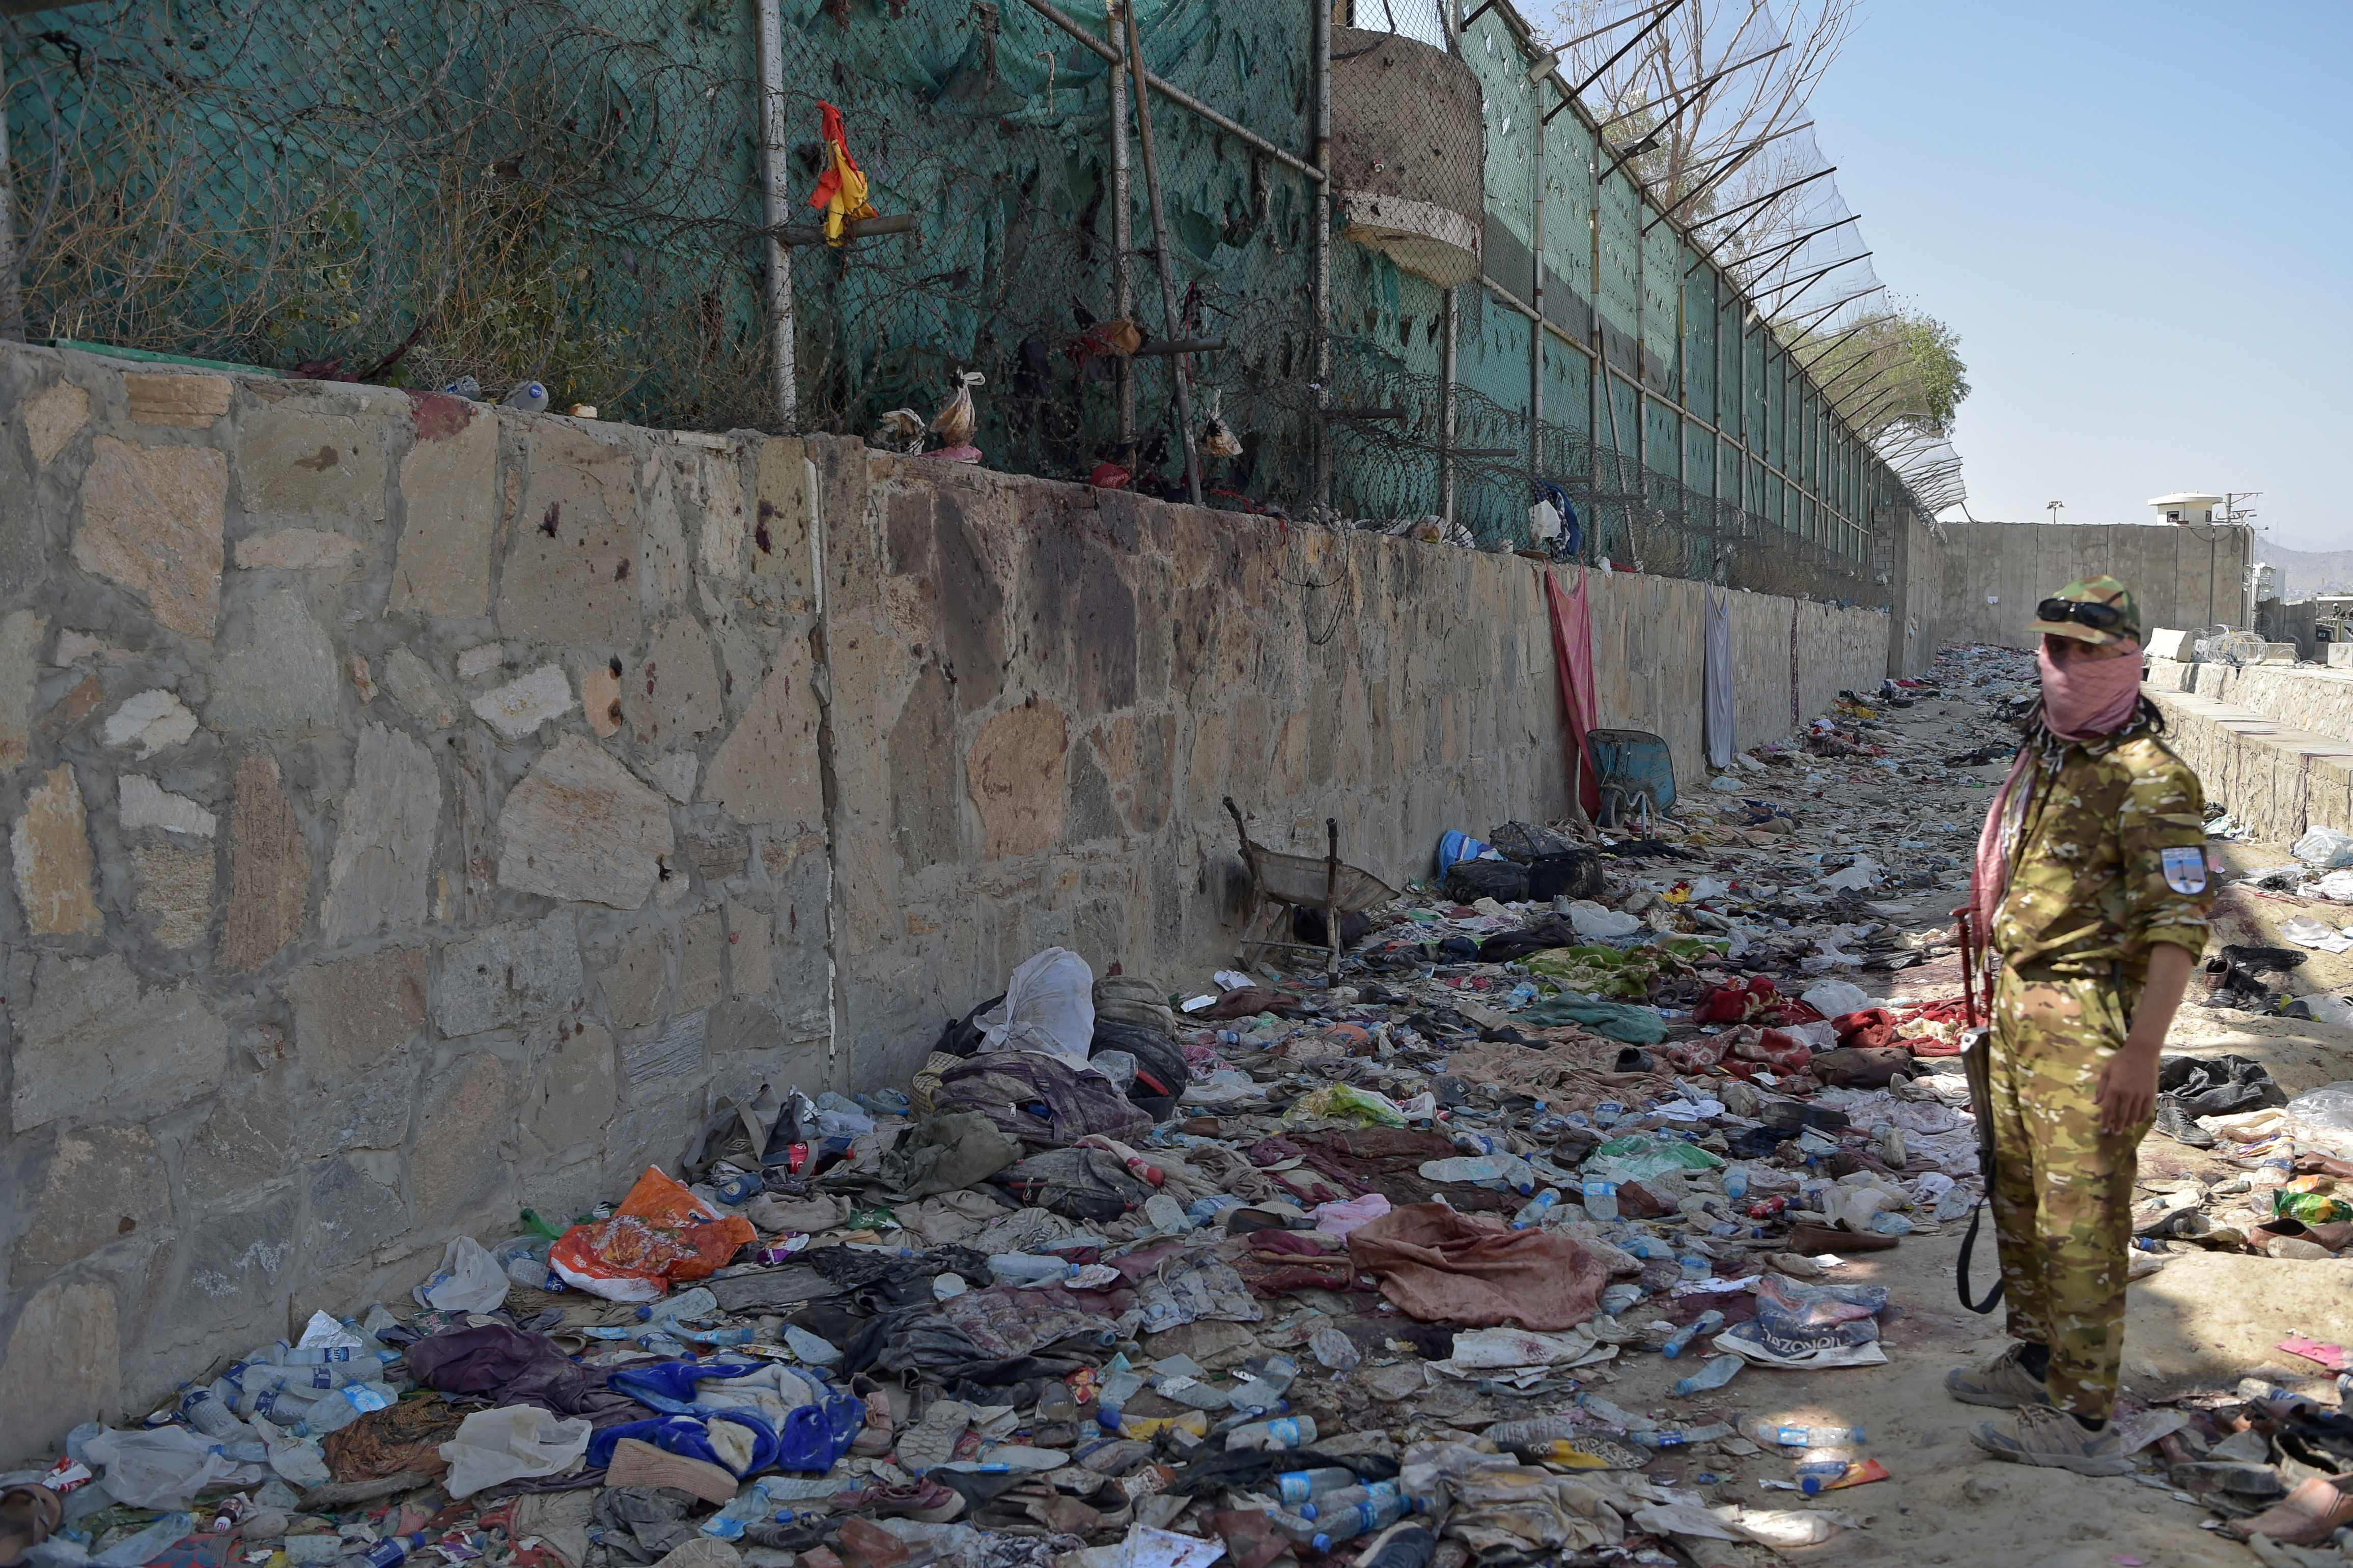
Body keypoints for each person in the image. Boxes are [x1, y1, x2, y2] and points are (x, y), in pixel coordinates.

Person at [1947, 576, 2214, 1474]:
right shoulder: (2057, 753)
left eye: (2086, 651)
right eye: (2053, 648)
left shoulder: (2153, 780)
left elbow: (2178, 928)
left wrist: (2141, 1052)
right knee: (2019, 1196)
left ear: (2128, 658)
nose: (2064, 665)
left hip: (2090, 1024)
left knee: (2080, 1217)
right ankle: (2033, 1358)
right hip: (2021, 1010)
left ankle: (2084, 1413)